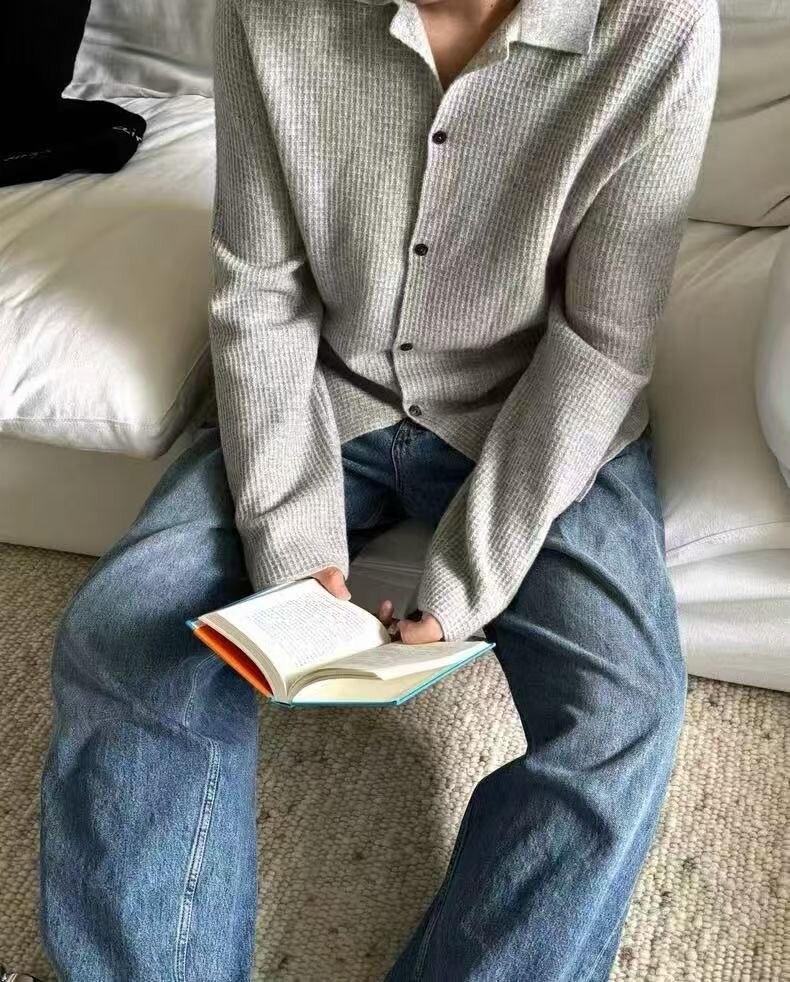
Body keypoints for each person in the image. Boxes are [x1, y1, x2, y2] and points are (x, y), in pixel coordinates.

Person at [37, 0, 720, 979]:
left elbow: (600, 344)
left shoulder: (658, 24)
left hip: (536, 410)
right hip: (321, 391)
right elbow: (260, 296)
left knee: (622, 715)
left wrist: (461, 588)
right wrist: (293, 549)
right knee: (121, 633)